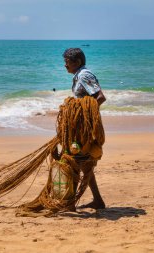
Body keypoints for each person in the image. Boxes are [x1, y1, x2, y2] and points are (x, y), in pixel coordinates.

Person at [63, 48, 106, 209]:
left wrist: (84, 116)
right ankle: (97, 200)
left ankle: (70, 203)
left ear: (77, 62)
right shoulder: (79, 76)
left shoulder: (84, 75)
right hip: (81, 127)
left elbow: (100, 97)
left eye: (67, 62)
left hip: (85, 129)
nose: (65, 65)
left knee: (76, 160)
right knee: (84, 163)